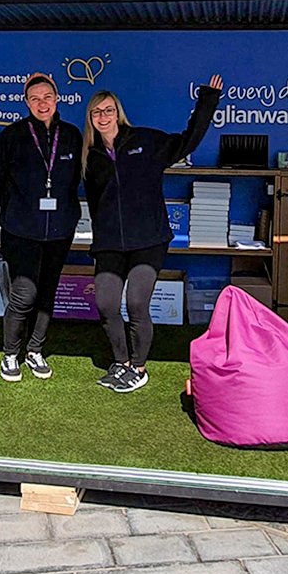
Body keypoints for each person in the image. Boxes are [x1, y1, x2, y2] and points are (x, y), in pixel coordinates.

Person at [81, 76, 222, 393]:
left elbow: (188, 140)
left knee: (135, 303)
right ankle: (121, 363)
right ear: (90, 119)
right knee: (105, 304)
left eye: (108, 110)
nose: (103, 117)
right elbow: (94, 200)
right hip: (110, 244)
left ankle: (138, 368)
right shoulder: (91, 158)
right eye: (96, 113)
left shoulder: (146, 142)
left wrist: (208, 100)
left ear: (118, 113)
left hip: (148, 240)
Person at [0, 73, 82, 383]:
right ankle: (10, 354)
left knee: (47, 292)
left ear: (57, 99)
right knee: (24, 293)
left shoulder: (71, 135)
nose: (42, 103)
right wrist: (19, 207)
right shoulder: (12, 135)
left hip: (59, 230)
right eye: (35, 98)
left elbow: (75, 178)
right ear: (26, 103)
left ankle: (35, 350)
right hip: (21, 230)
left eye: (47, 97)